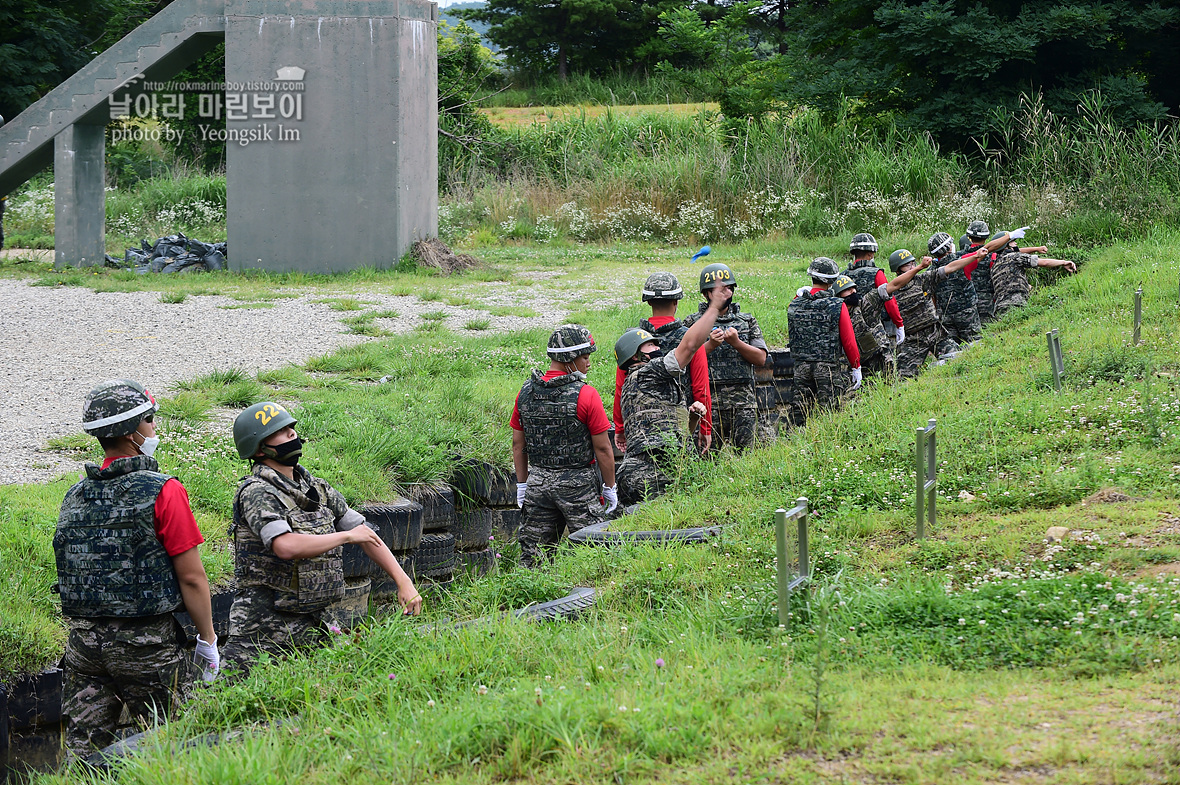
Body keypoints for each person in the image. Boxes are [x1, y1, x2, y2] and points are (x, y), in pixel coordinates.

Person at [55, 379, 217, 757]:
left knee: (83, 757)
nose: (154, 428)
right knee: (174, 746)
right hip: (147, 647)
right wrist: (208, 640)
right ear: (131, 433)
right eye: (149, 421)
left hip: (83, 647)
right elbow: (192, 576)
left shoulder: (74, 495)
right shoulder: (164, 490)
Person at [223, 402, 421, 676]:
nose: (292, 434)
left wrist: (403, 581)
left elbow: (365, 535)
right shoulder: (257, 492)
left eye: (292, 427)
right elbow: (285, 545)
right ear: (259, 448)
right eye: (281, 431)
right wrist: (344, 537)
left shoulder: (316, 488)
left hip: (312, 623)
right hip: (260, 629)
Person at [511, 325, 617, 567]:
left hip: (537, 486)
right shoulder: (586, 394)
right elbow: (603, 449)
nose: (589, 363)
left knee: (533, 561)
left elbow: (519, 445)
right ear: (570, 358)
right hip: (578, 487)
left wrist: (522, 484)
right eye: (586, 357)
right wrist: (610, 487)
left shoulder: (525, 392)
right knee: (595, 556)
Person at [614, 290, 729, 504]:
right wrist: (713, 309)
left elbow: (673, 432)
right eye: (651, 345)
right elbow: (689, 346)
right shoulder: (648, 373)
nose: (658, 347)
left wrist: (693, 417)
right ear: (636, 355)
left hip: (638, 471)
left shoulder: (635, 383)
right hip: (656, 472)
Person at [613, 272, 713, 456]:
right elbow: (701, 389)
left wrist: (620, 428)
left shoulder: (632, 341)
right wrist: (705, 428)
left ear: (649, 302)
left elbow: (621, 387)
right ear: (676, 302)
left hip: (640, 432)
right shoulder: (690, 339)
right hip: (682, 429)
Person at [683, 262, 769, 450]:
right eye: (720, 289)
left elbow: (761, 358)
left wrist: (737, 343)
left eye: (729, 288)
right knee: (706, 460)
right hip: (708, 405)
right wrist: (709, 345)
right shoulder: (692, 322)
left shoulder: (747, 321)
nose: (725, 293)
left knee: (746, 459)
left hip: (743, 404)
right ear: (707, 293)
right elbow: (683, 359)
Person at [889, 243, 997, 377]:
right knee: (904, 376)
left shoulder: (923, 279)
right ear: (898, 270)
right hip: (913, 339)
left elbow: (951, 267)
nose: (912, 267)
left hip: (935, 333)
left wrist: (975, 256)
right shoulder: (891, 291)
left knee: (958, 358)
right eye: (907, 265)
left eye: (913, 263)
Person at [788, 258, 863, 423]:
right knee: (828, 416)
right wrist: (856, 366)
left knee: (800, 414)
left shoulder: (795, 303)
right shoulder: (837, 304)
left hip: (801, 367)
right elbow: (848, 340)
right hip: (827, 368)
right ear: (832, 280)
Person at [844, 232, 905, 375]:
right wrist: (899, 323)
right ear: (871, 254)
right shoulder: (876, 273)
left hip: (852, 328)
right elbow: (888, 299)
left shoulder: (843, 276)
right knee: (885, 366)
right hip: (875, 328)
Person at [988, 232, 1078, 317]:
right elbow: (1044, 262)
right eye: (1012, 242)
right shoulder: (1015, 257)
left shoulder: (995, 266)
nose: (1015, 244)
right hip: (1016, 303)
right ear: (1005, 246)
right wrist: (1064, 262)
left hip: (999, 308)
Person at [927, 231, 984, 347]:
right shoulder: (961, 261)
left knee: (953, 350)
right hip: (967, 314)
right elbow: (982, 253)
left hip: (945, 317)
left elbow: (932, 297)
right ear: (948, 247)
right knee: (976, 344)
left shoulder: (929, 272)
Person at [959, 220, 999, 323]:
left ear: (969, 237)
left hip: (965, 300)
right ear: (986, 237)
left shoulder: (959, 257)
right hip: (987, 300)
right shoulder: (992, 256)